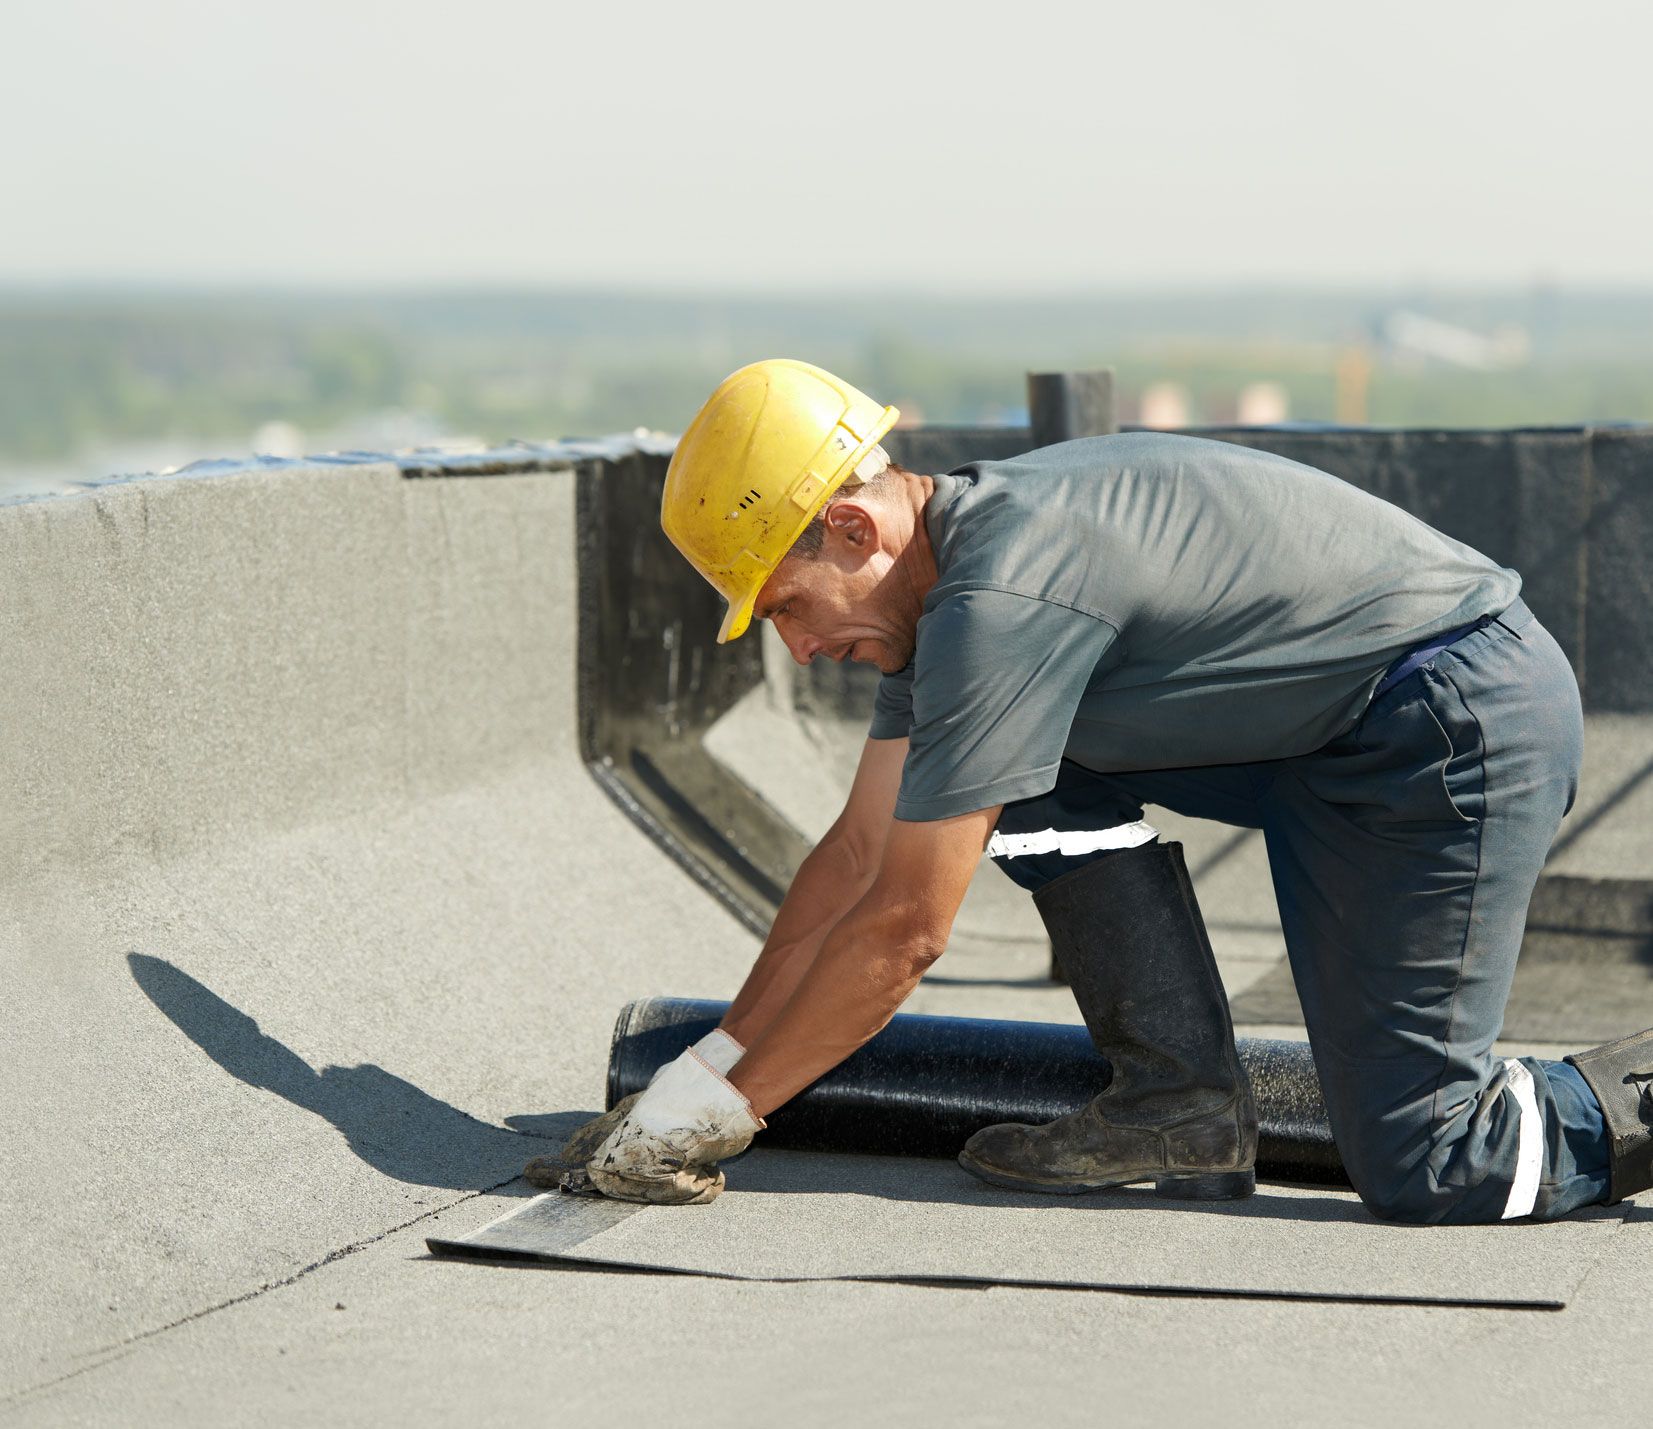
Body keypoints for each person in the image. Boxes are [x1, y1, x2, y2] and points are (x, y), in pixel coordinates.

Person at [567, 358, 1652, 1224]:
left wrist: (719, 1116)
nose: (798, 650)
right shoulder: (932, 612)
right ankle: (1177, 1102)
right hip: (1327, 743)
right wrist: (705, 1063)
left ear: (855, 531)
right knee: (1009, 779)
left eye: (790, 605)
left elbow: (903, 930)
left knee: (1431, 1158)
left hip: (1450, 725)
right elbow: (858, 859)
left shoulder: (1000, 595)